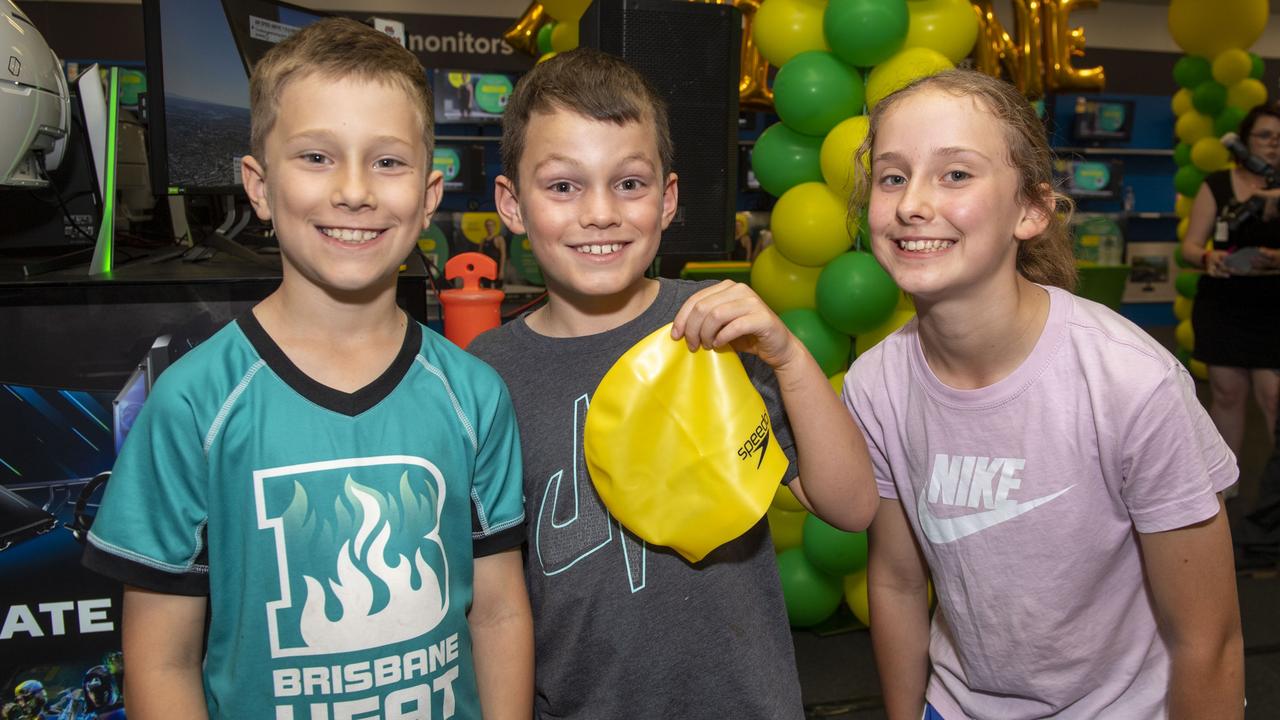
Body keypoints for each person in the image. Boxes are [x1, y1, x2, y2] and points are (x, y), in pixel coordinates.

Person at [81, 18, 531, 719]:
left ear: (429, 197)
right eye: (317, 157)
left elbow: (499, 614)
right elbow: (160, 659)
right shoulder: (194, 404)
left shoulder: (473, 395)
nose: (354, 191)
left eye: (387, 162)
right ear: (258, 187)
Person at [468, 47, 877, 719]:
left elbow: (852, 506)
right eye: (563, 186)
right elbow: (492, 599)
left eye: (629, 183)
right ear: (511, 204)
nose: (600, 213)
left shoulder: (719, 330)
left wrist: (788, 356)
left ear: (668, 199)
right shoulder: (487, 373)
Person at [842, 69, 1244, 719]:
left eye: (956, 175)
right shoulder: (876, 384)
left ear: (1030, 209)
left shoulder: (1129, 381)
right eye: (892, 177)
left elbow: (1209, 641)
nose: (913, 203)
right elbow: (895, 580)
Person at [1181, 103, 1280, 494]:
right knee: (1226, 393)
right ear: (1245, 139)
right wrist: (1209, 257)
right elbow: (1190, 246)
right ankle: (1225, 489)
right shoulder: (1217, 185)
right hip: (1224, 304)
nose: (1273, 145)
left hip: (1274, 307)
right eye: (1265, 136)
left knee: (1274, 398)